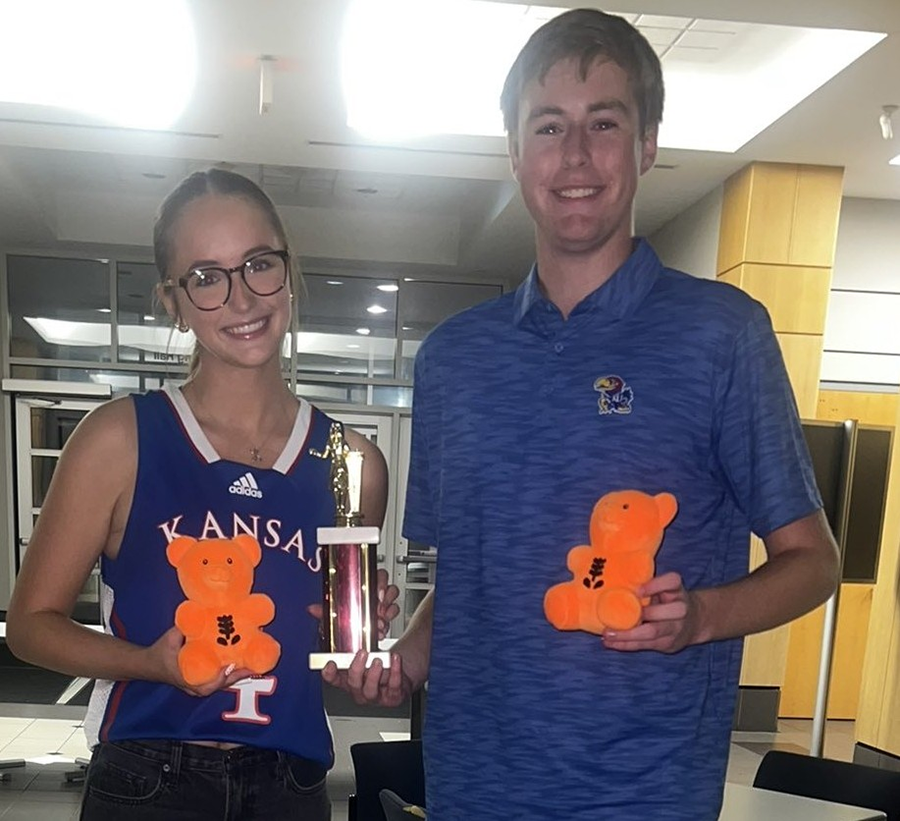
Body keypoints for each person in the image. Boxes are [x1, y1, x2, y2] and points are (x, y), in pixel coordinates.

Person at [325, 9, 840, 820]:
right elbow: (470, 574)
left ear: (646, 144)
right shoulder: (453, 359)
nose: (574, 155)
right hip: (473, 784)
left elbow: (814, 560)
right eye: (548, 126)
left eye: (604, 122)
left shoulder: (721, 334)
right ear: (513, 150)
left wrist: (701, 614)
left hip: (648, 789)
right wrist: (403, 661)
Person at [6, 168, 398, 820]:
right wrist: (152, 663)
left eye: (258, 264)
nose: (241, 298)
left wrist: (357, 640)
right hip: (149, 778)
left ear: (289, 273)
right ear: (173, 302)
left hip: (290, 786)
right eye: (207, 277)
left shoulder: (351, 462)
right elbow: (29, 627)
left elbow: (331, 654)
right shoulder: (120, 439)